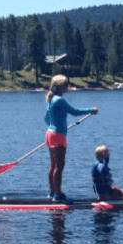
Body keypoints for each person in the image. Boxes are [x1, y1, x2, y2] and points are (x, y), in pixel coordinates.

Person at [45, 74, 98, 203]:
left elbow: (46, 118)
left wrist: (56, 125)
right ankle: (58, 195)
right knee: (60, 166)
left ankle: (52, 193)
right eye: (65, 85)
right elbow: (74, 112)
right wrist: (91, 110)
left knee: (53, 165)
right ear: (59, 87)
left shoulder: (51, 100)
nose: (67, 87)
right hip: (58, 136)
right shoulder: (59, 100)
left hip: (50, 134)